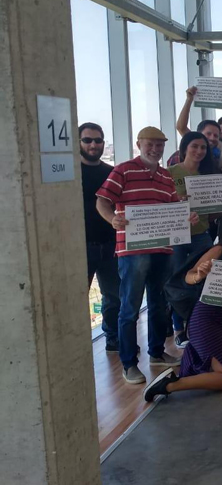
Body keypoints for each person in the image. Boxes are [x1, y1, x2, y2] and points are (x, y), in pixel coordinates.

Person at [96, 127, 199, 384]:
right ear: (139, 144)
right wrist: (112, 219)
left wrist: (186, 217)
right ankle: (129, 363)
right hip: (132, 250)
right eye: (150, 144)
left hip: (162, 248)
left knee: (158, 303)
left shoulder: (165, 177)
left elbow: (173, 209)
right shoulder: (123, 170)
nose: (155, 149)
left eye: (159, 145)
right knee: (129, 307)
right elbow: (102, 201)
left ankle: (156, 353)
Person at [143, 224, 222, 402]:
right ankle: (169, 385)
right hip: (204, 319)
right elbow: (189, 276)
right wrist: (199, 276)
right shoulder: (221, 250)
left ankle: (205, 365)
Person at [168, 131, 217, 347]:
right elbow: (160, 204)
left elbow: (214, 211)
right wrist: (177, 201)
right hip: (177, 236)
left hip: (201, 234)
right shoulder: (170, 173)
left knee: (205, 279)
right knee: (178, 282)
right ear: (184, 148)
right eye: (194, 146)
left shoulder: (208, 175)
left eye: (203, 147)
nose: (199, 151)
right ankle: (179, 329)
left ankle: (198, 325)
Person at [79, 122, 120, 352]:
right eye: (87, 140)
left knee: (113, 296)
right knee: (77, 298)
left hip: (110, 244)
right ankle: (77, 346)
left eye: (98, 140)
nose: (93, 145)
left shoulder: (112, 173)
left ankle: (113, 339)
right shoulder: (70, 174)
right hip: (81, 246)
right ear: (79, 142)